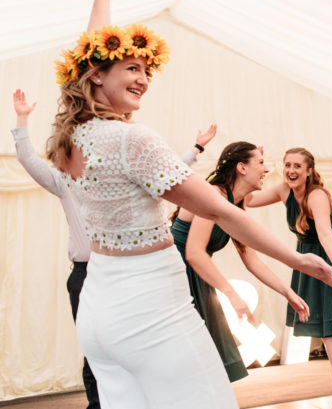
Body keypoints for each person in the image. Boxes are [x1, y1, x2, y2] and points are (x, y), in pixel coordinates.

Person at [47, 0, 332, 409]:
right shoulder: (134, 140)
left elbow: (88, 58)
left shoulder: (71, 136)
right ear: (97, 75)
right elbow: (222, 211)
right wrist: (300, 262)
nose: (144, 78)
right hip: (149, 311)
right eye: (131, 68)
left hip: (99, 314)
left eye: (146, 70)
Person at [11, 89, 215, 409]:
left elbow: (167, 169)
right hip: (88, 275)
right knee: (98, 359)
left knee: (140, 358)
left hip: (131, 274)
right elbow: (27, 158)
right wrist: (22, 119)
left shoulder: (123, 170)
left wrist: (197, 147)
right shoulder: (63, 180)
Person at [246, 147, 332, 409]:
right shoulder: (283, 191)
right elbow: (248, 200)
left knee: (329, 329)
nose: (291, 171)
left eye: (297, 166)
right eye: (287, 165)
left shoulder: (317, 195)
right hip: (306, 257)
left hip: (326, 255)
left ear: (309, 171)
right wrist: (255, 168)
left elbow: (326, 234)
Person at [170, 141, 310, 382]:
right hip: (175, 277)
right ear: (242, 168)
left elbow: (251, 258)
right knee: (188, 360)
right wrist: (233, 296)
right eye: (261, 163)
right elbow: (194, 253)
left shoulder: (235, 202)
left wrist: (287, 292)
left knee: (204, 364)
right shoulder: (213, 194)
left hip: (195, 276)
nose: (266, 170)